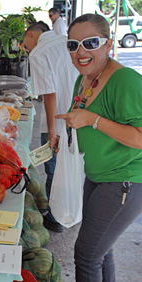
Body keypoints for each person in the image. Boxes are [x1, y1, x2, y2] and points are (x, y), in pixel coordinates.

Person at [55, 14, 142, 281]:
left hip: (123, 180)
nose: (81, 51)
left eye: (90, 42)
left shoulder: (125, 80)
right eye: (73, 45)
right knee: (101, 251)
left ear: (108, 45)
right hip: (97, 176)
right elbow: (79, 118)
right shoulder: (84, 78)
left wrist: (93, 120)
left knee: (87, 254)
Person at [23, 21, 79, 233]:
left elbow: (49, 94)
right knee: (74, 165)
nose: (25, 47)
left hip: (57, 119)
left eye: (24, 42)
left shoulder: (38, 53)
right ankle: (72, 210)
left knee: (54, 168)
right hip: (79, 114)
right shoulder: (68, 42)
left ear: (30, 34)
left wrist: (52, 131)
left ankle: (55, 218)